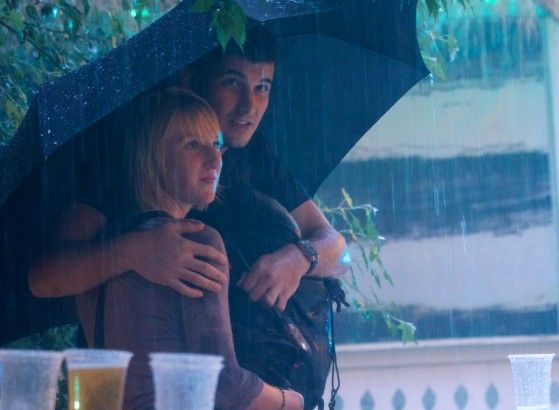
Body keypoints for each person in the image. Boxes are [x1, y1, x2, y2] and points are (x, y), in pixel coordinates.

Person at [28, 24, 349, 313]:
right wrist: (133, 250)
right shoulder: (131, 154)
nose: (249, 106)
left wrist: (299, 258)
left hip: (232, 351)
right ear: (191, 80)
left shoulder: (254, 153)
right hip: (135, 348)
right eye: (232, 83)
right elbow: (45, 277)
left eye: (261, 87)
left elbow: (336, 247)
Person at [74, 88, 304, 410]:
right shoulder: (195, 243)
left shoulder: (103, 250)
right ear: (154, 158)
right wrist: (290, 403)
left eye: (216, 144)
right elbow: (224, 384)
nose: (215, 160)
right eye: (192, 145)